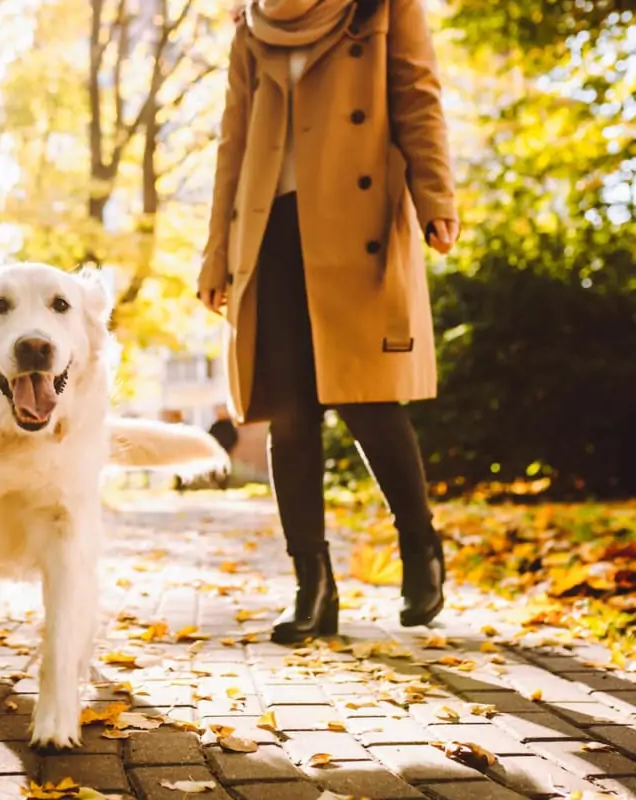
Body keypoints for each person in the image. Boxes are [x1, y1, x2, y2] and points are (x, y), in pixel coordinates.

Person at [196, 0, 458, 643]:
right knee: (289, 413)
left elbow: (417, 95)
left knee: (369, 399)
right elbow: (232, 141)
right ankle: (312, 587)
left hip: (356, 220)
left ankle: (420, 547)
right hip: (271, 229)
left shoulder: (381, 7)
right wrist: (215, 252)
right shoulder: (251, 26)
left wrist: (436, 194)